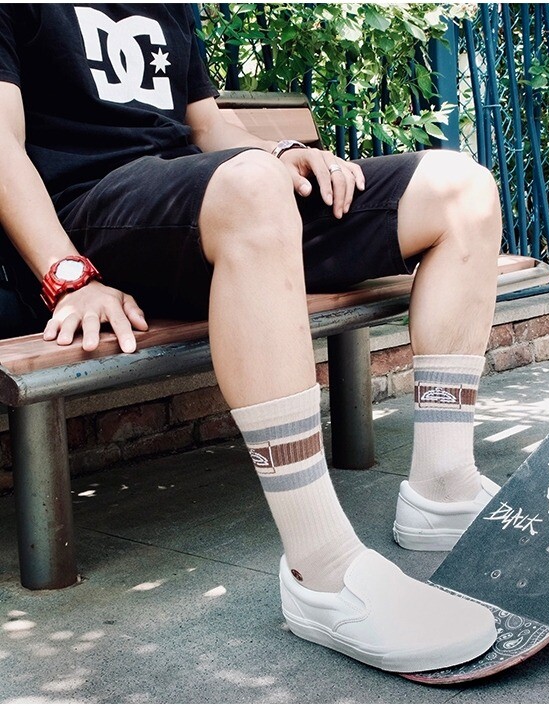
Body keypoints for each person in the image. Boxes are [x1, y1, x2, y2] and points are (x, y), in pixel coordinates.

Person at [0, 4, 504, 673]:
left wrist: (286, 153)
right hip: (90, 216)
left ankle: (444, 488)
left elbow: (208, 125)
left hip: (201, 203)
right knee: (250, 183)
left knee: (460, 187)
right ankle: (322, 571)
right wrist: (68, 276)